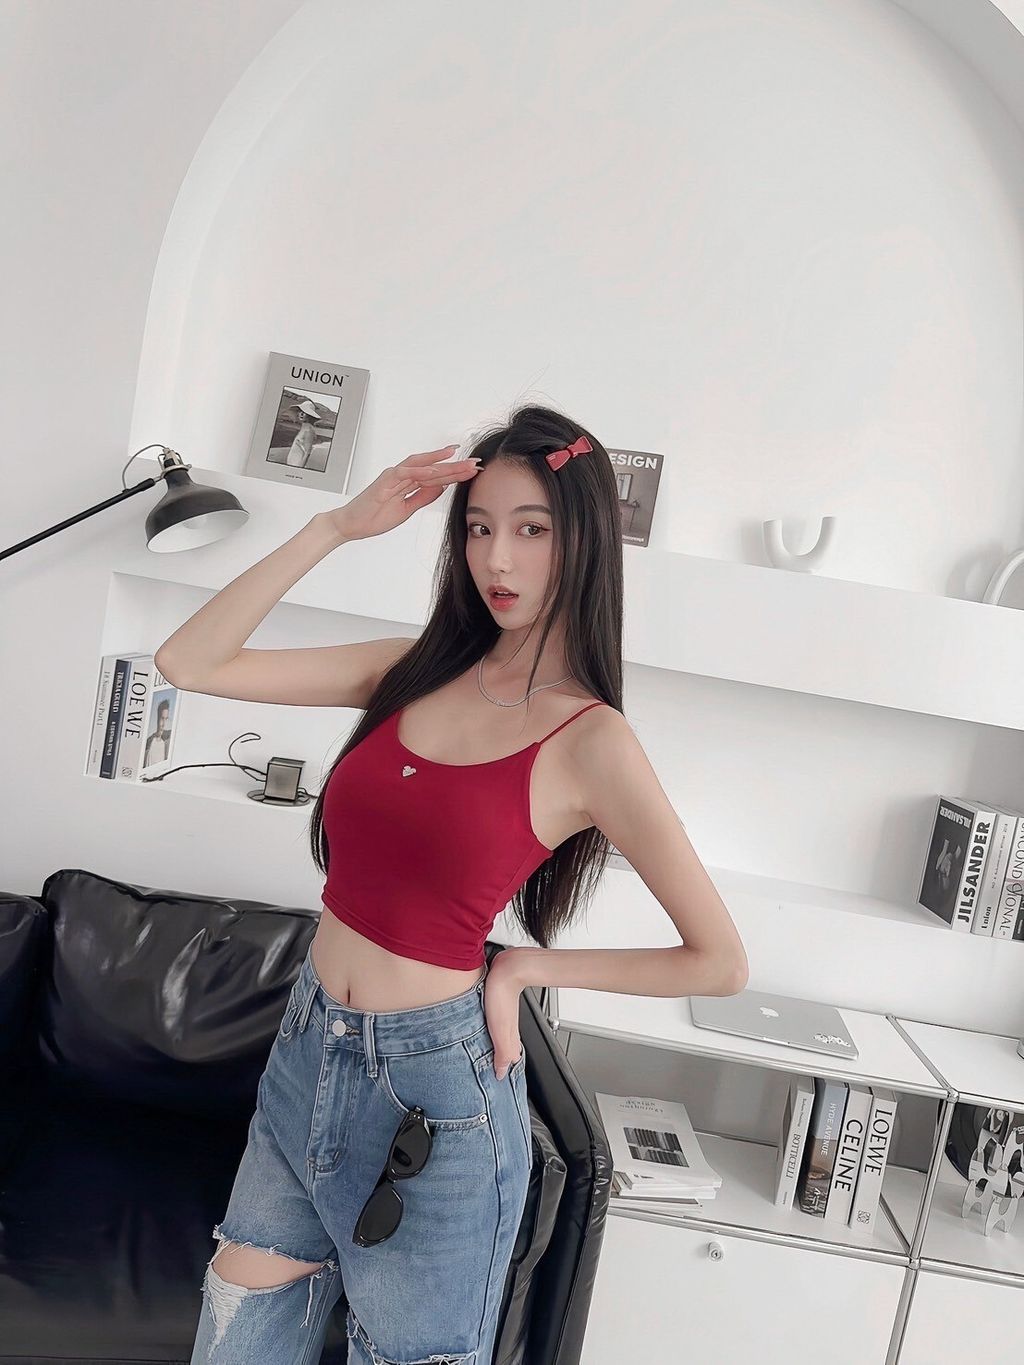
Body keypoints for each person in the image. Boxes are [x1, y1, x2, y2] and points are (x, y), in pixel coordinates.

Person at [160, 403, 748, 1363]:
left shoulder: (592, 740)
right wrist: (336, 526)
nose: (497, 559)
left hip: (435, 1100)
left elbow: (718, 960)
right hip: (307, 1052)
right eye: (479, 528)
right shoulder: (415, 670)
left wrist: (522, 967)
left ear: (583, 540)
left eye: (531, 528)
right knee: (232, 1343)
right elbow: (189, 660)